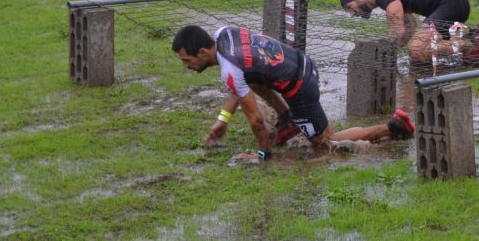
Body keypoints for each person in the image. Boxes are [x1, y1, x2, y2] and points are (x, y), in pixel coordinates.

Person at [172, 25, 415, 162]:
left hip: (300, 86)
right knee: (250, 78)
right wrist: (223, 119)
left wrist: (262, 154)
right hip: (301, 62)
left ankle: (393, 127)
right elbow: (241, 81)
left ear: (203, 52)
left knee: (326, 142)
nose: (186, 66)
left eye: (187, 60)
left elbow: (256, 121)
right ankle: (288, 118)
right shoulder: (224, 33)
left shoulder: (229, 69)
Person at [339, 0, 479, 68]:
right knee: (418, 55)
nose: (353, 14)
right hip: (451, 3)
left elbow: (397, 32)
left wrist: (384, 60)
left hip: (450, 2)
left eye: (349, 7)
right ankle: (470, 38)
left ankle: (472, 44)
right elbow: (410, 26)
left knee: (416, 50)